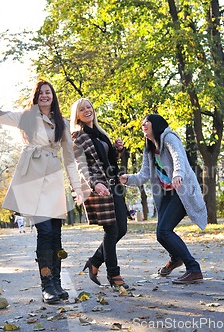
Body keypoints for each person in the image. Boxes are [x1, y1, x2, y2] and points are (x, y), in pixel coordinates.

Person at [0, 81, 83, 304]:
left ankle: (57, 283)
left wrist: (77, 187)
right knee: (45, 232)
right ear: (35, 96)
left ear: (53, 96)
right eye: (40, 93)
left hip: (54, 181)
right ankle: (46, 285)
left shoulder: (63, 124)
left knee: (56, 235)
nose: (44, 96)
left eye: (48, 92)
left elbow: (69, 158)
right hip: (32, 180)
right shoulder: (26, 118)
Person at [120, 114, 207, 284]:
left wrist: (177, 174)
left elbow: (178, 157)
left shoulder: (169, 137)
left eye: (146, 122)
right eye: (142, 123)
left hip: (182, 191)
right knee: (161, 234)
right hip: (168, 193)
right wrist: (127, 179)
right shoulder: (149, 148)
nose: (143, 125)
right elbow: (144, 174)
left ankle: (193, 269)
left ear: (156, 124)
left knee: (165, 230)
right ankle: (176, 258)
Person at [70, 98, 129, 289]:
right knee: (112, 231)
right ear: (77, 115)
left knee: (122, 229)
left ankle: (95, 261)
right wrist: (94, 184)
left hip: (114, 185)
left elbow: (107, 160)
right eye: (82, 109)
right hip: (99, 187)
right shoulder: (78, 137)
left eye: (89, 107)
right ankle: (114, 275)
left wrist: (117, 150)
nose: (87, 110)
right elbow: (81, 166)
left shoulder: (101, 133)